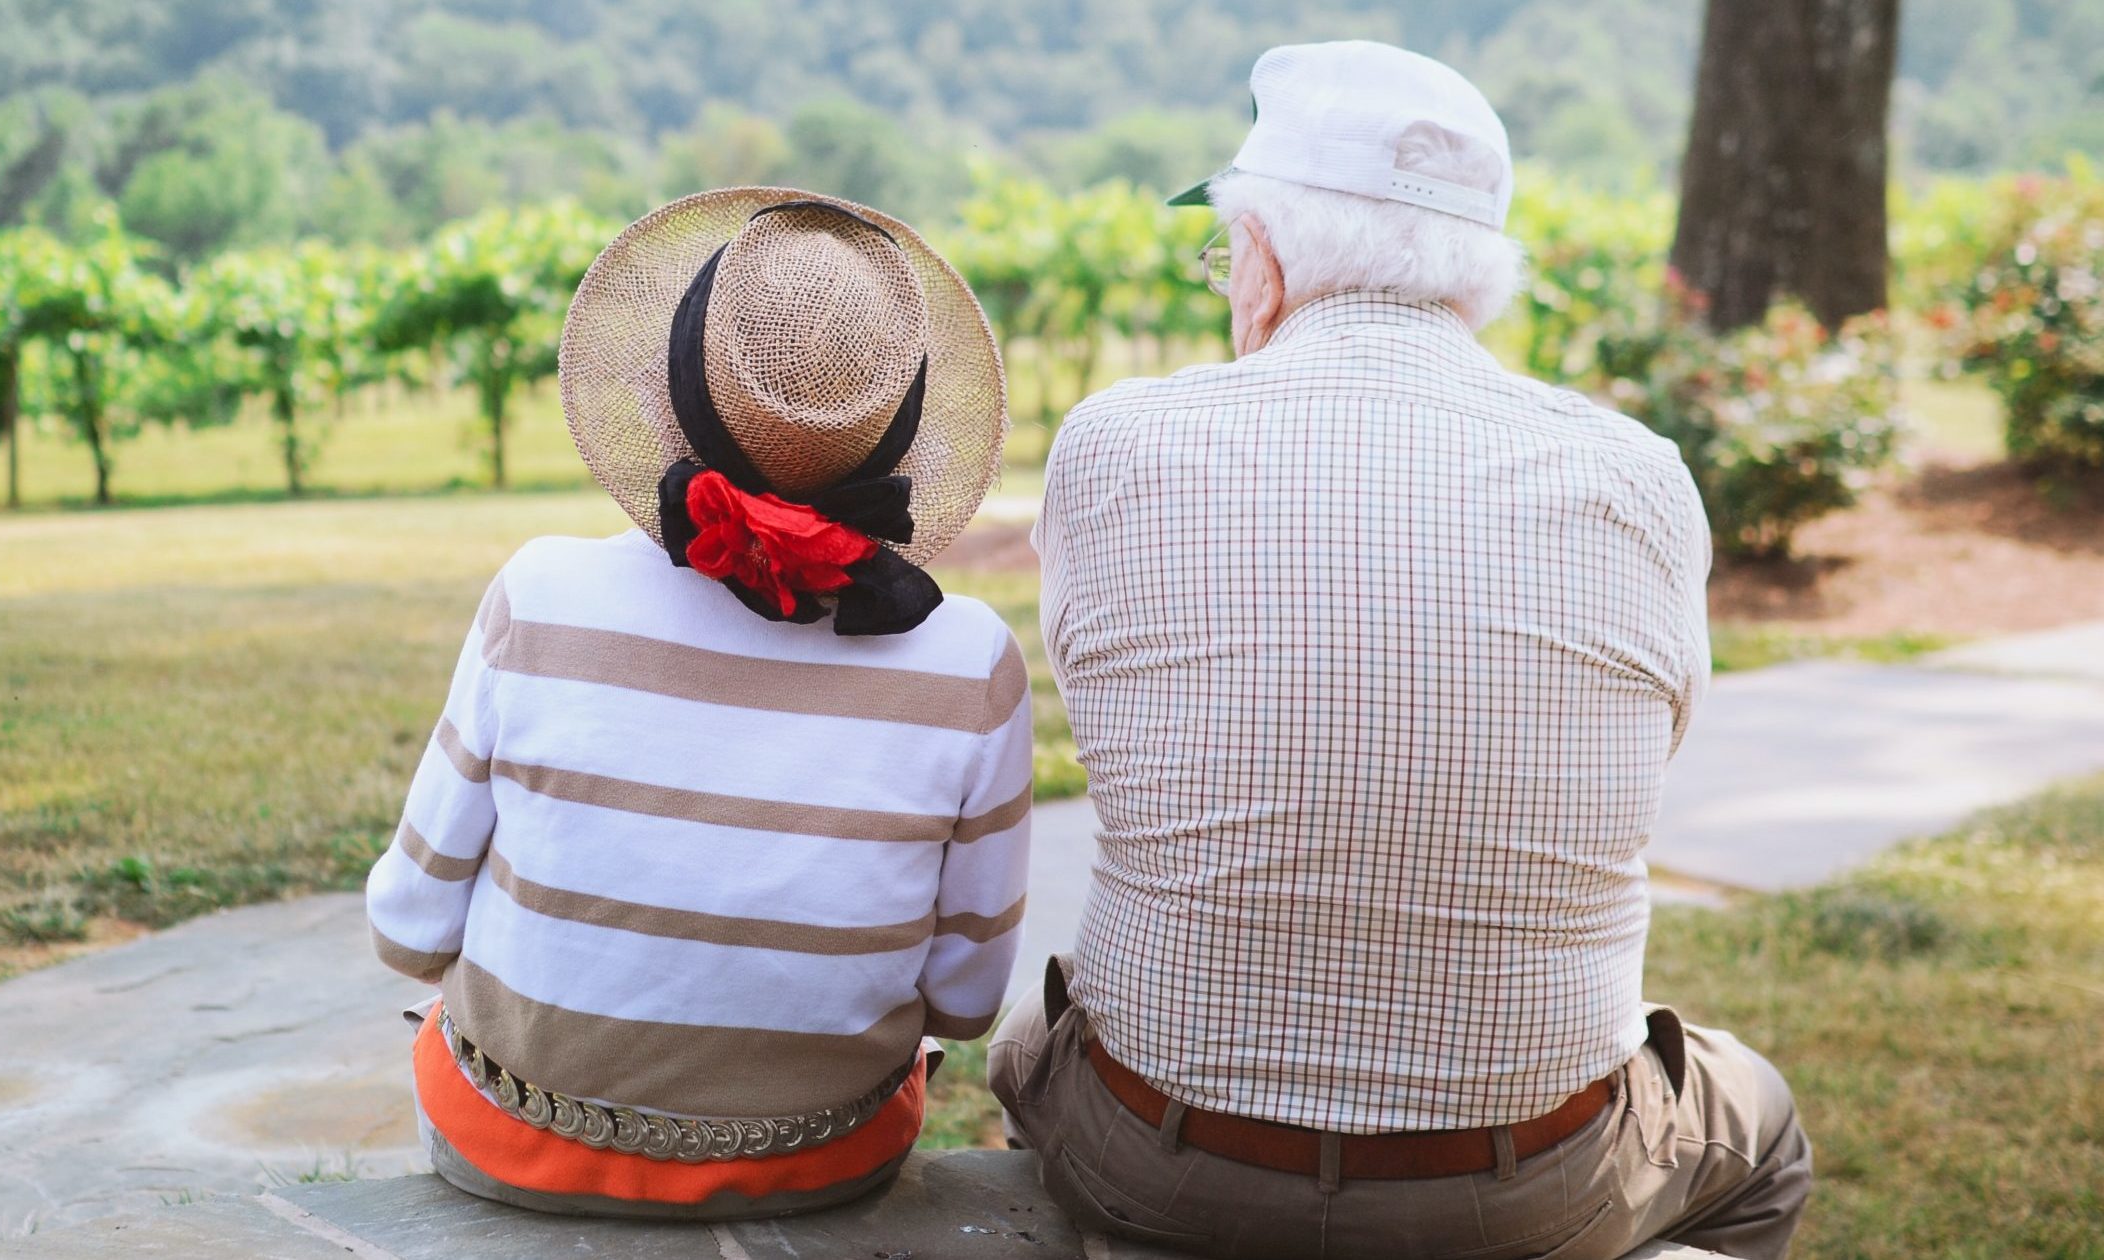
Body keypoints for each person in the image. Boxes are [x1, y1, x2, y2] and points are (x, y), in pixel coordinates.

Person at [991, 41, 1813, 1260]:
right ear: (1477, 275)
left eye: (1226, 250)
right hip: (1532, 1180)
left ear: (1262, 257)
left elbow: (1107, 699)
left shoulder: (1116, 443)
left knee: (1024, 1047)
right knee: (1764, 1132)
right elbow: (1658, 738)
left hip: (1161, 1162)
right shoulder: (1639, 476)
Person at [365, 189, 1033, 1221]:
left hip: (512, 1139)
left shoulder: (538, 594)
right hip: (822, 1159)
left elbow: (408, 926)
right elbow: (966, 1004)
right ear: (898, 429)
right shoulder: (967, 659)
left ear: (671, 391)